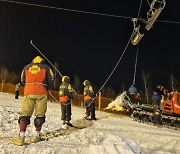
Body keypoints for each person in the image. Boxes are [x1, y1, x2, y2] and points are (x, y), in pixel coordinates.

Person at [11, 56, 54, 146]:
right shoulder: (46, 67)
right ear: (42, 61)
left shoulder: (26, 67)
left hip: (29, 92)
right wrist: (47, 86)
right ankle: (37, 136)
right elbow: (51, 80)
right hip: (42, 92)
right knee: (40, 114)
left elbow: (22, 80)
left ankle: (21, 137)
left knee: (25, 113)